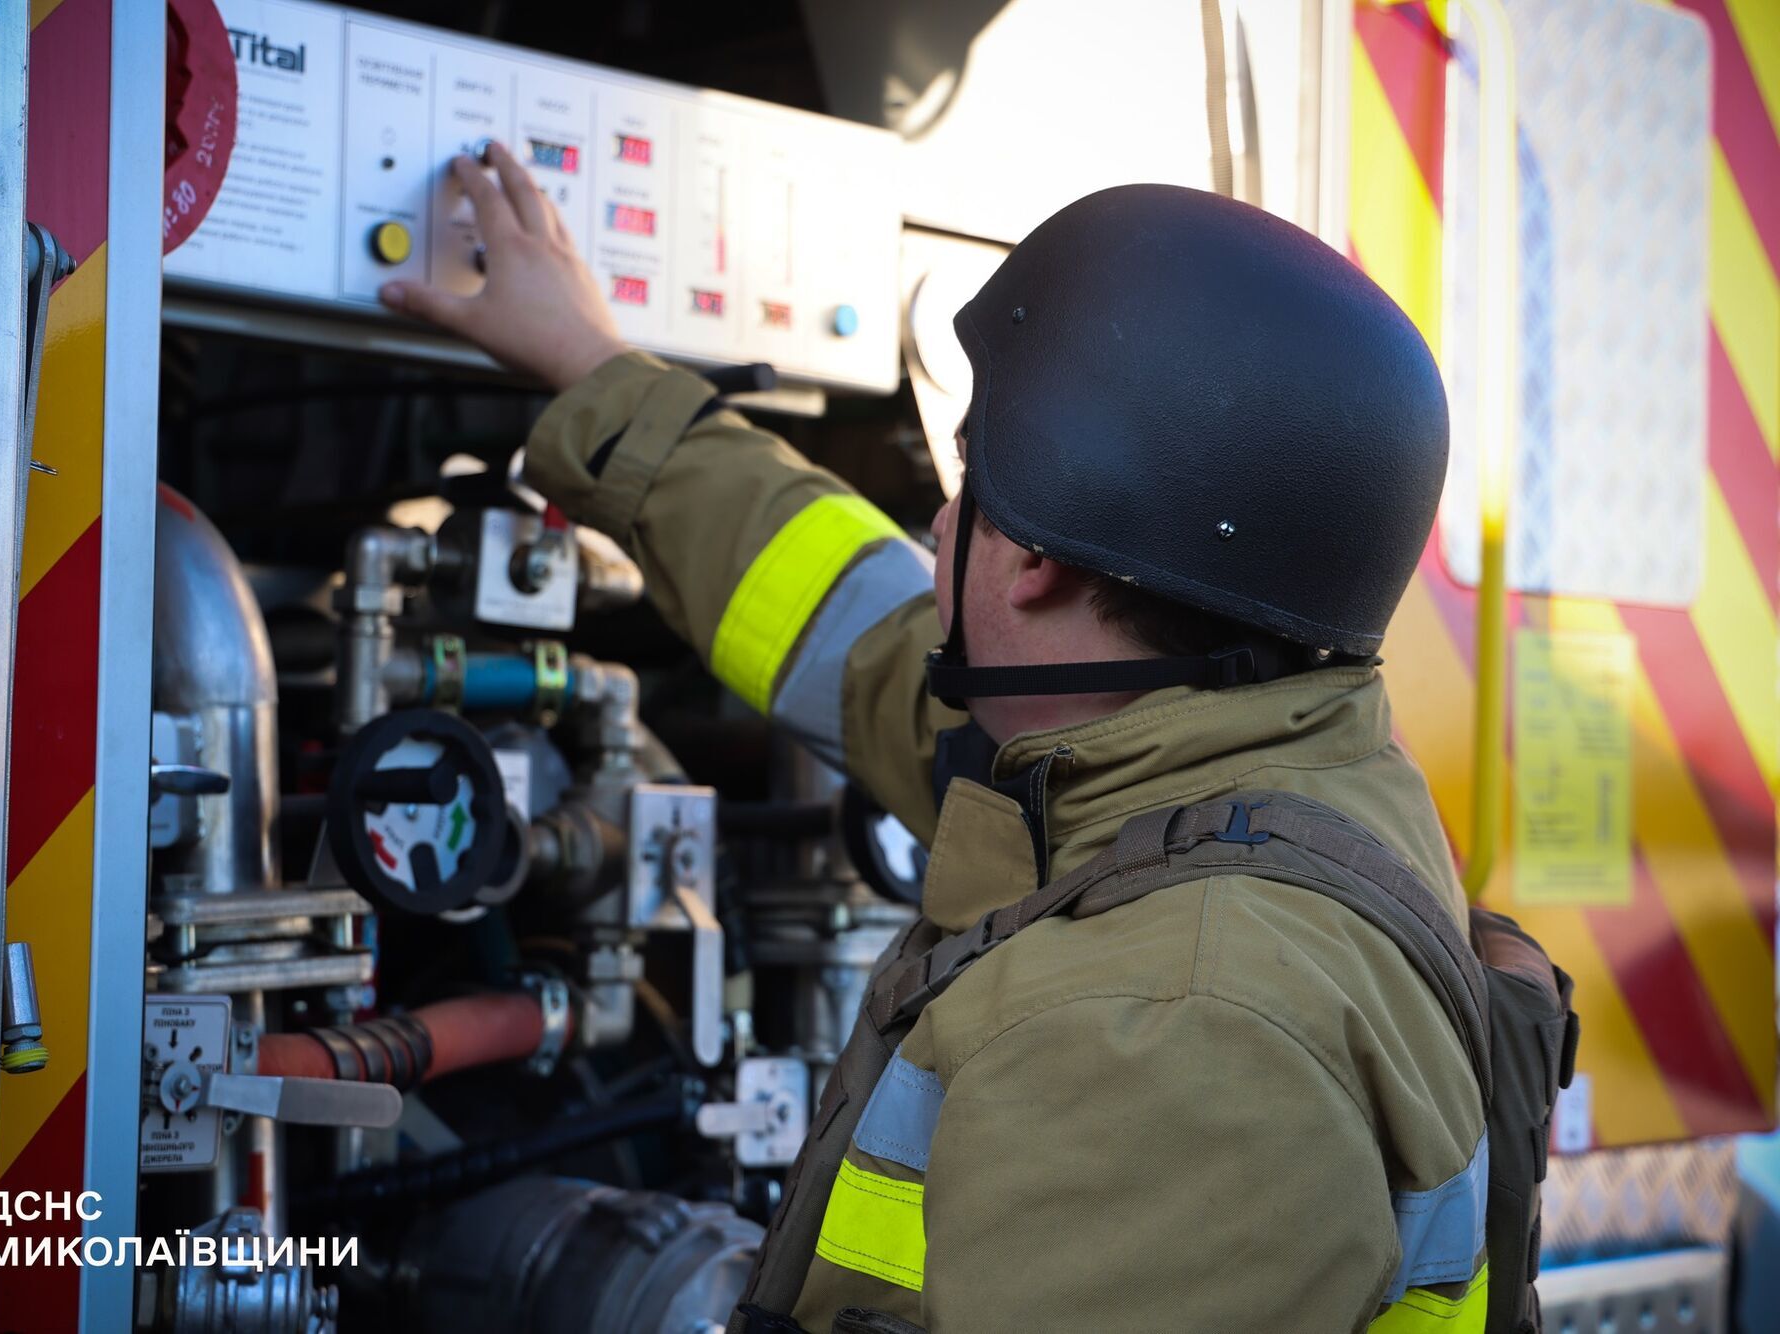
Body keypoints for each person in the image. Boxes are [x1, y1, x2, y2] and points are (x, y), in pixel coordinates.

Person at [382, 143, 1490, 1333]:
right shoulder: (1246, 760)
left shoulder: (1172, 1028)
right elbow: (847, 621)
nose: (938, 513)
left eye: (970, 476)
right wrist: (595, 371)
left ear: (1037, 562)